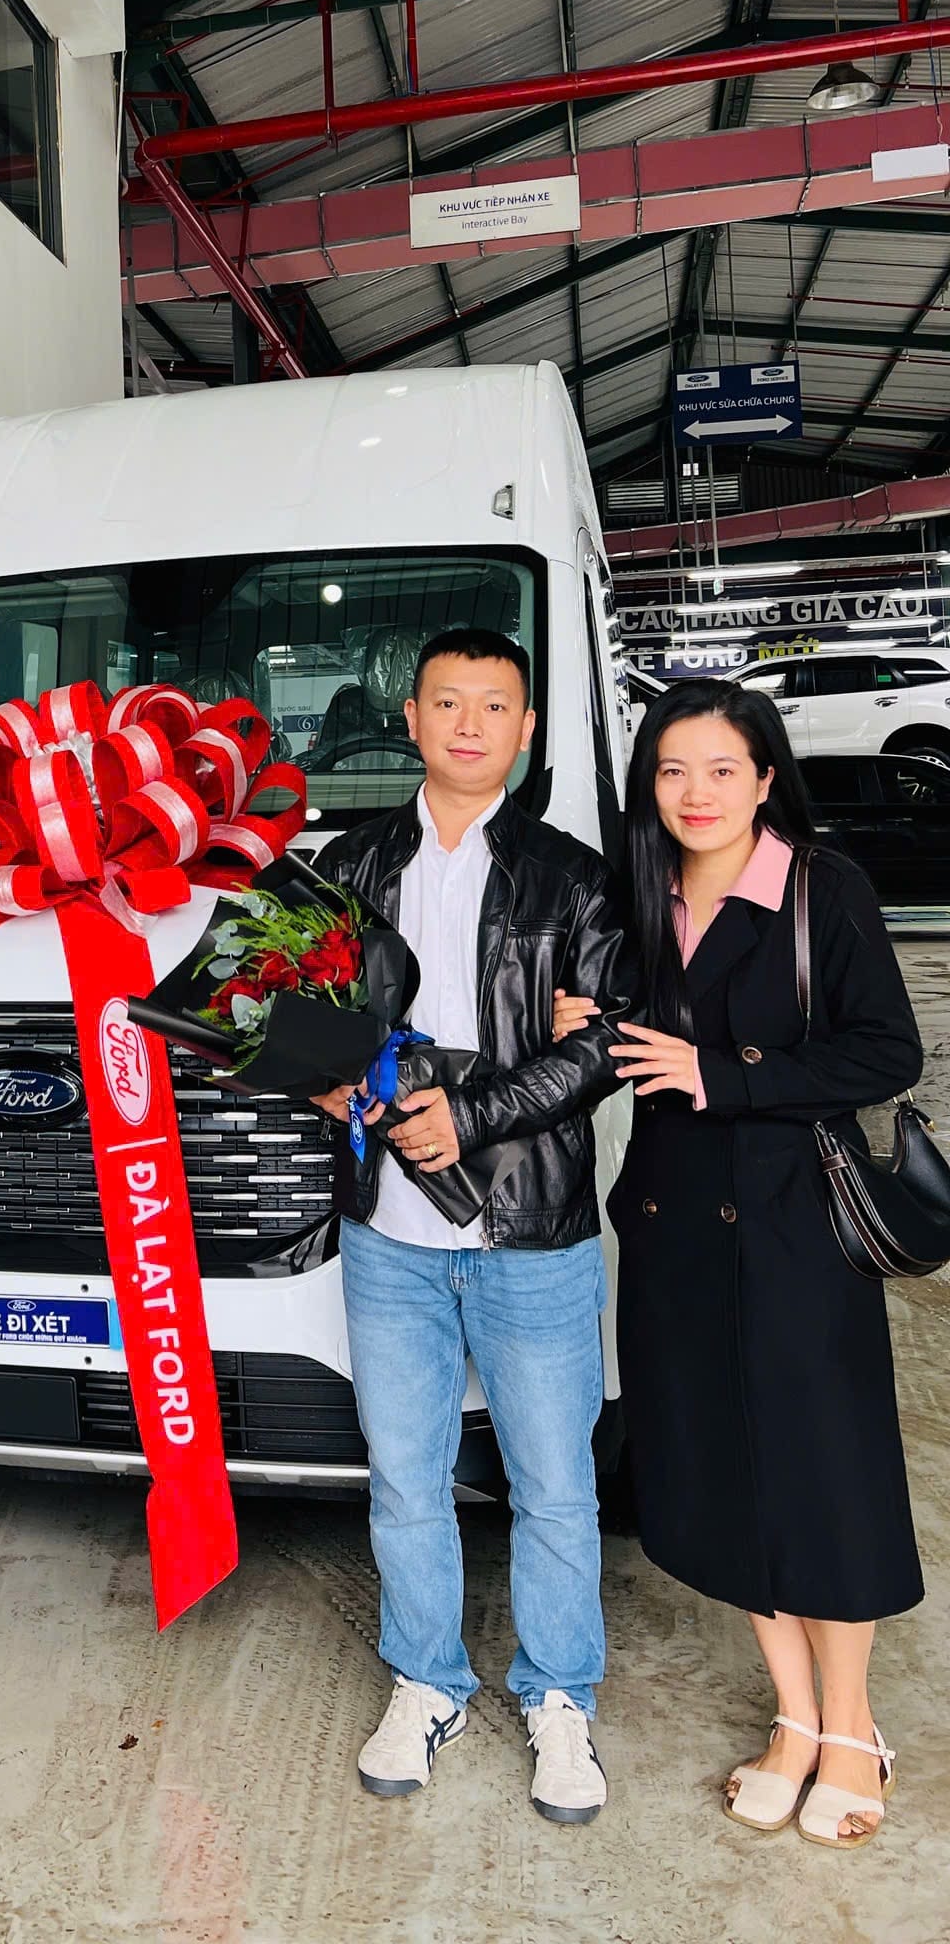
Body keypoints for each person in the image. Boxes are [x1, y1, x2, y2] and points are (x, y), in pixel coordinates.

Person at [552, 677, 924, 1851]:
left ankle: (853, 1725)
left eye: (722, 769)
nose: (696, 792)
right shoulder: (638, 894)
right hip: (675, 1230)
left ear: (766, 777)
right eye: (672, 770)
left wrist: (725, 1073)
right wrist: (585, 1033)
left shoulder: (821, 886)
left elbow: (888, 1051)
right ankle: (795, 1716)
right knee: (719, 1467)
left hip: (797, 1227)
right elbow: (631, 1046)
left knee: (825, 1474)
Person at [314, 627, 635, 1825]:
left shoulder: (574, 876)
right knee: (405, 1478)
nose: (468, 724)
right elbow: (294, 1009)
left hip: (532, 1229)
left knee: (554, 1484)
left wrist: (475, 1115)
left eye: (493, 705)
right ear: (409, 718)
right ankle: (426, 1681)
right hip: (388, 1236)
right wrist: (319, 1081)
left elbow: (604, 1045)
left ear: (526, 729)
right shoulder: (348, 863)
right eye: (446, 701)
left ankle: (559, 1696)